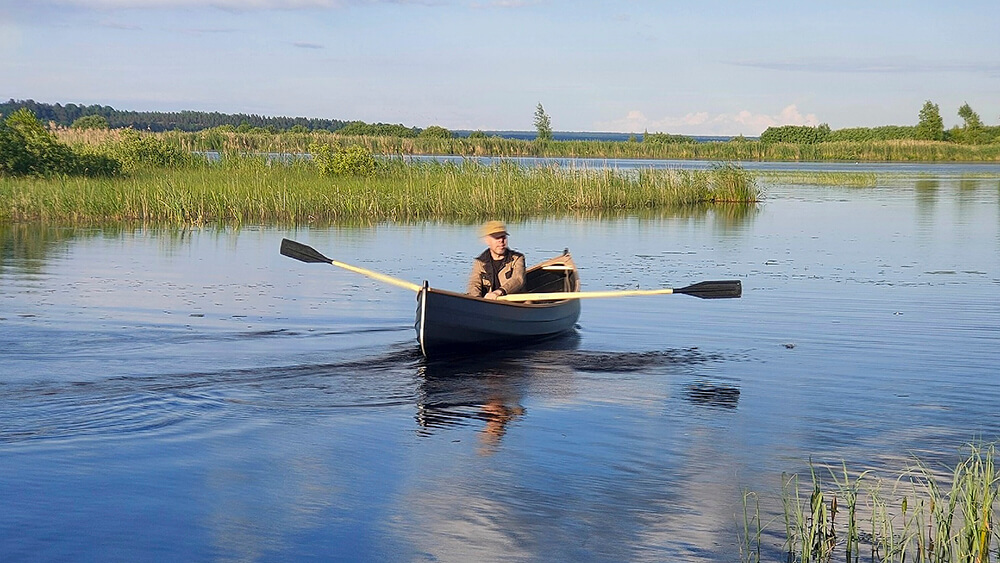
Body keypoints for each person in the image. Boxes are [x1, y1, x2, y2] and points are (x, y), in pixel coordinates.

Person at [467, 220, 525, 299]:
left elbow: (518, 280)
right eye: (497, 237)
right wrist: (477, 300)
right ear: (488, 240)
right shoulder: (480, 262)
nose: (501, 241)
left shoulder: (517, 259)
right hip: (489, 303)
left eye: (503, 237)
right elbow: (474, 284)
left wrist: (499, 292)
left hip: (514, 303)